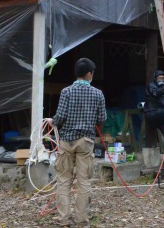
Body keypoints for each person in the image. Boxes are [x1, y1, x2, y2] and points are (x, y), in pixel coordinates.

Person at [49, 58, 107, 227]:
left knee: (64, 180)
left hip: (66, 141)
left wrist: (52, 121)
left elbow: (59, 117)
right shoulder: (98, 93)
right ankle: (81, 220)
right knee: (84, 182)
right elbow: (102, 118)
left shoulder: (66, 92)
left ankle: (64, 219)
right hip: (86, 141)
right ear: (89, 74)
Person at [144, 70, 164, 150]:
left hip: (161, 115)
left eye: (163, 78)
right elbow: (155, 93)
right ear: (155, 78)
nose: (161, 80)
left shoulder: (163, 86)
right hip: (153, 113)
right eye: (159, 78)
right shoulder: (151, 85)